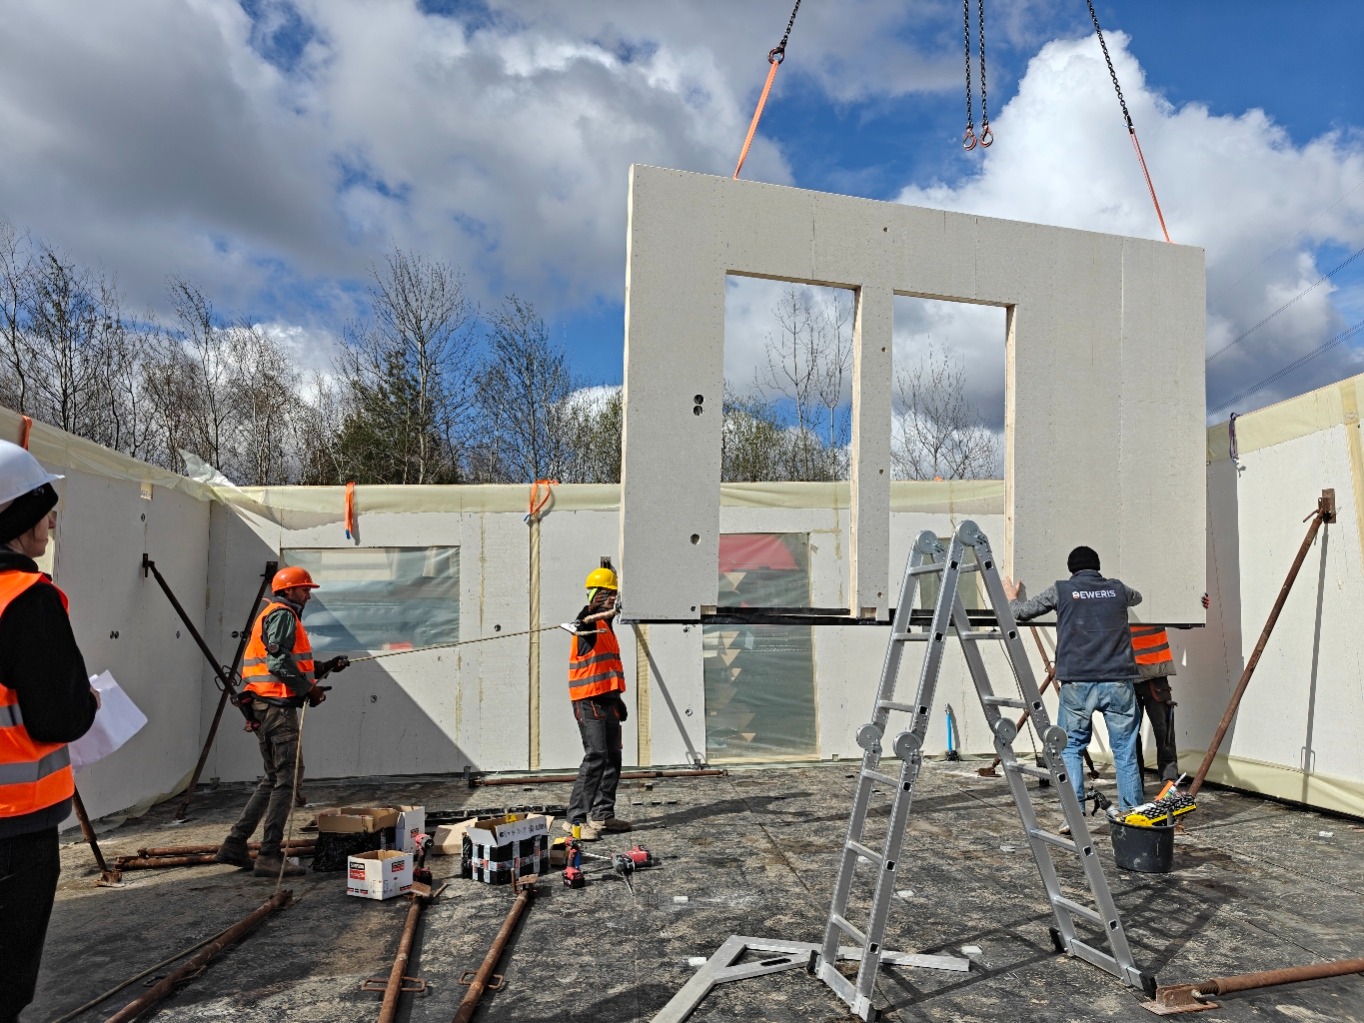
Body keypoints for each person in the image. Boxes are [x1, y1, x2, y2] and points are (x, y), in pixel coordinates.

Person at [0, 440, 98, 1022]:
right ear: (16, 515)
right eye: (45, 508)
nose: (52, 522)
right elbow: (58, 718)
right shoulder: (26, 601)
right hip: (12, 831)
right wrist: (84, 700)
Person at [215, 566, 347, 877]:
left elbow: (288, 660)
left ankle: (235, 844)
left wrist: (324, 667)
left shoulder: (280, 614)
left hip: (265, 707)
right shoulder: (283, 615)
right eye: (303, 589)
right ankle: (269, 855)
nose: (308, 594)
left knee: (274, 779)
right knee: (287, 779)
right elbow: (277, 663)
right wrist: (309, 689)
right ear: (287, 591)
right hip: (276, 709)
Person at [1003, 545, 1145, 819]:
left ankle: (1073, 816)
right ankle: (1132, 814)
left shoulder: (1062, 590)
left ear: (1072, 570)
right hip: (1118, 681)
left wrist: (1011, 597)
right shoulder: (1117, 589)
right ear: (1098, 567)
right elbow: (1136, 597)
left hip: (1078, 683)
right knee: (1125, 750)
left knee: (1070, 749)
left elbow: (1022, 612)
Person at [563, 565, 632, 841]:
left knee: (613, 757)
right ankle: (575, 820)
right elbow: (583, 619)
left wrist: (618, 699)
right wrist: (592, 608)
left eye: (614, 593)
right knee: (596, 757)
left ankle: (603, 815)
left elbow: (608, 668)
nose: (612, 598)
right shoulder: (589, 625)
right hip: (588, 700)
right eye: (607, 593)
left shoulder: (606, 626)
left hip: (607, 699)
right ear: (595, 594)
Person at [1130, 623, 1179, 783]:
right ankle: (1134, 786)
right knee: (1129, 735)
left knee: (1164, 732)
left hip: (1154, 672)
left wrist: (1197, 604)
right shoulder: (1114, 597)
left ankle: (1168, 783)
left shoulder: (1157, 598)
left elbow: (1184, 615)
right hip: (1126, 674)